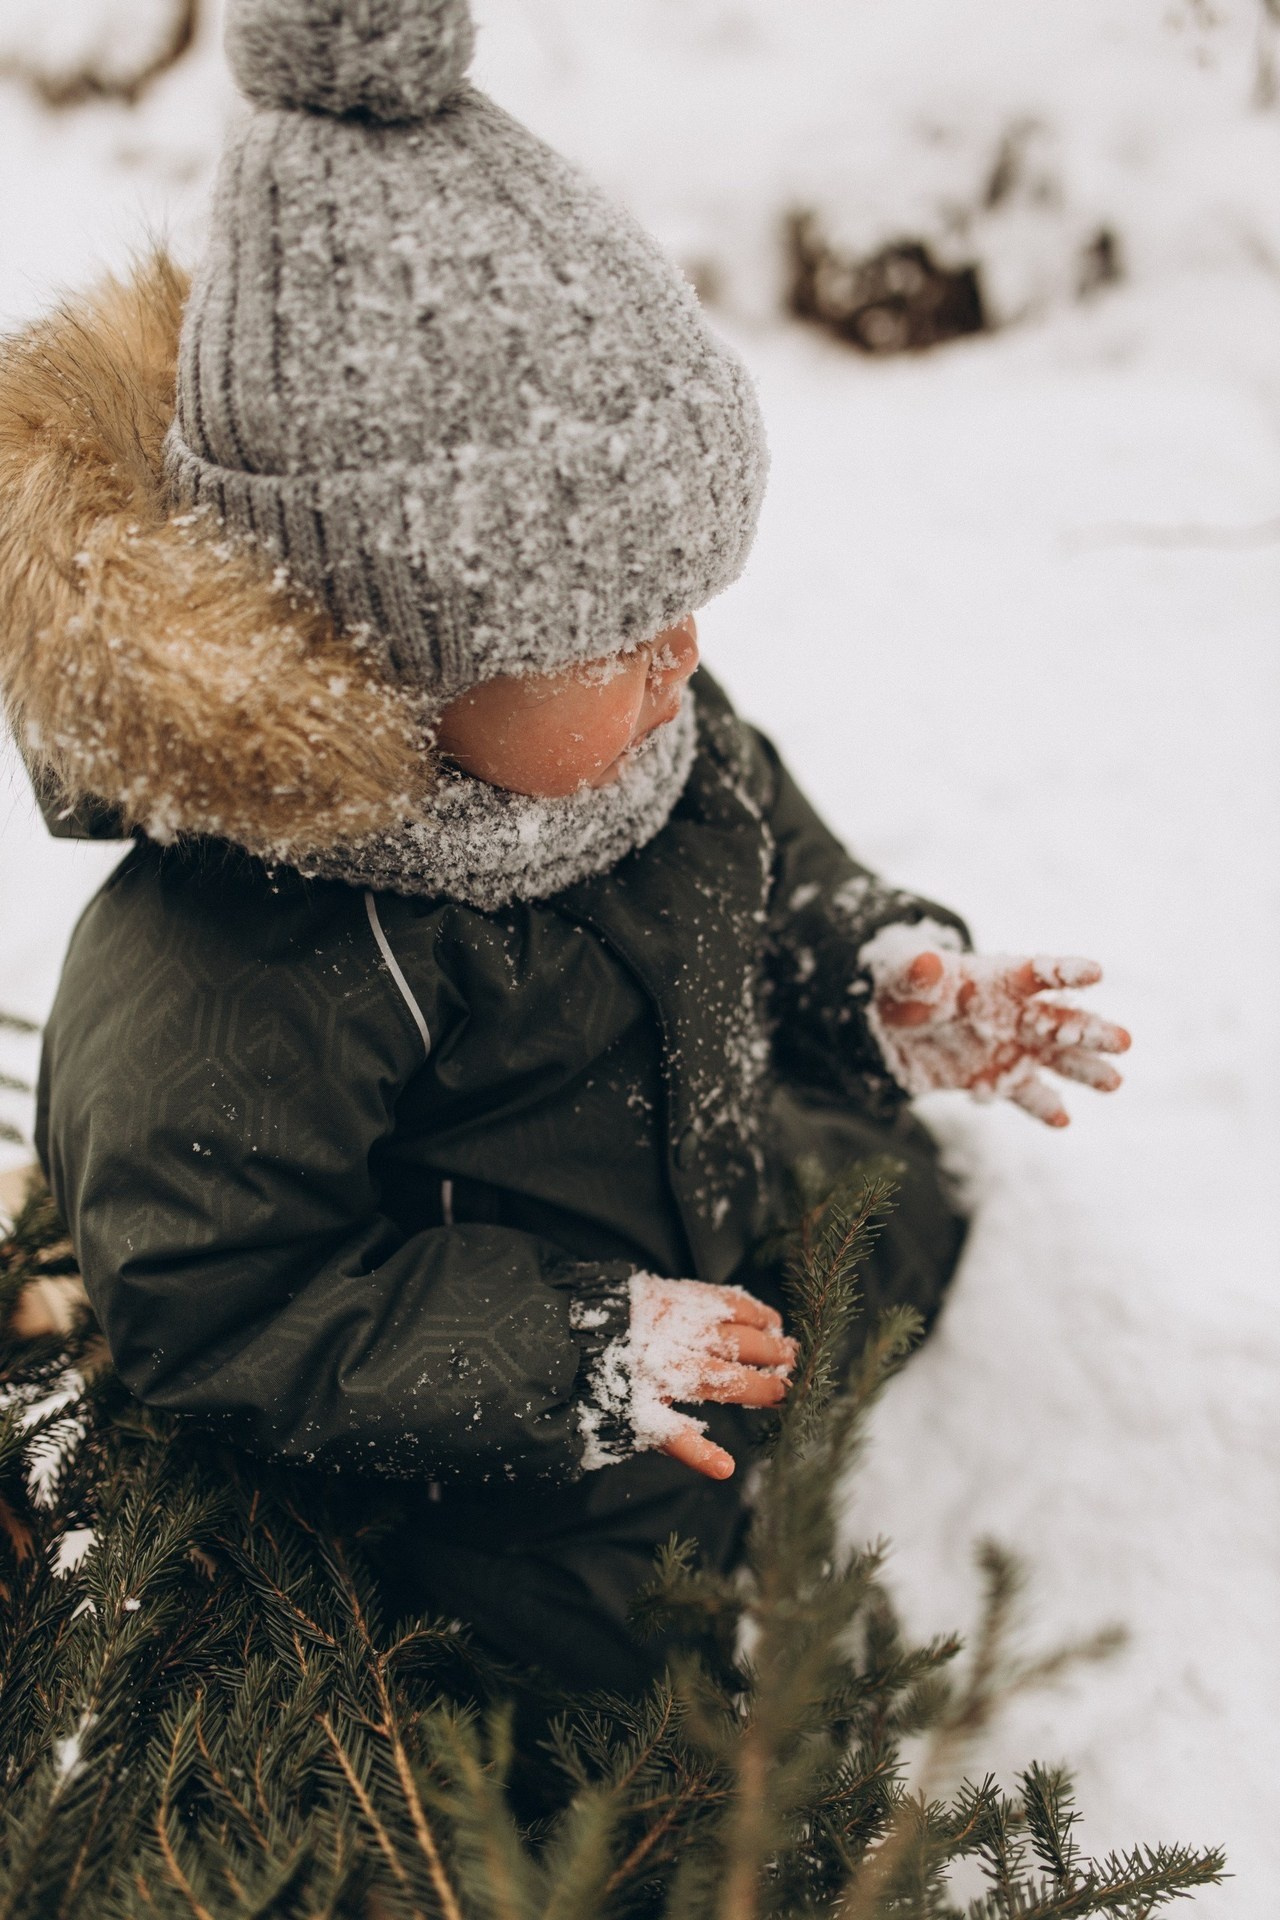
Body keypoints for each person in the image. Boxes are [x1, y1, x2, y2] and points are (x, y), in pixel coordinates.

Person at [0, 0, 1127, 1700]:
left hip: (713, 1188)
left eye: (686, 599)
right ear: (398, 647)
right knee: (591, 1689)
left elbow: (763, 855)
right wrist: (574, 1354)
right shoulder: (244, 955)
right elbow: (225, 1299)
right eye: (613, 627)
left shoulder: (631, 735)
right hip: (499, 1462)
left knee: (902, 1221)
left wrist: (882, 973)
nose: (681, 654)